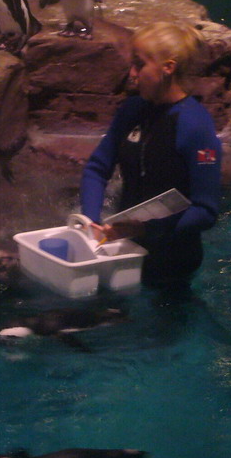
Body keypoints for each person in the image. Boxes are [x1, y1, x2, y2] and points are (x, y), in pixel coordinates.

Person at [80, 21, 222, 290]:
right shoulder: (131, 110)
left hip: (173, 262)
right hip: (124, 250)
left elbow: (206, 211)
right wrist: (91, 221)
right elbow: (97, 169)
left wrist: (146, 230)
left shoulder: (196, 126)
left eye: (140, 65)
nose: (132, 74)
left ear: (168, 67)